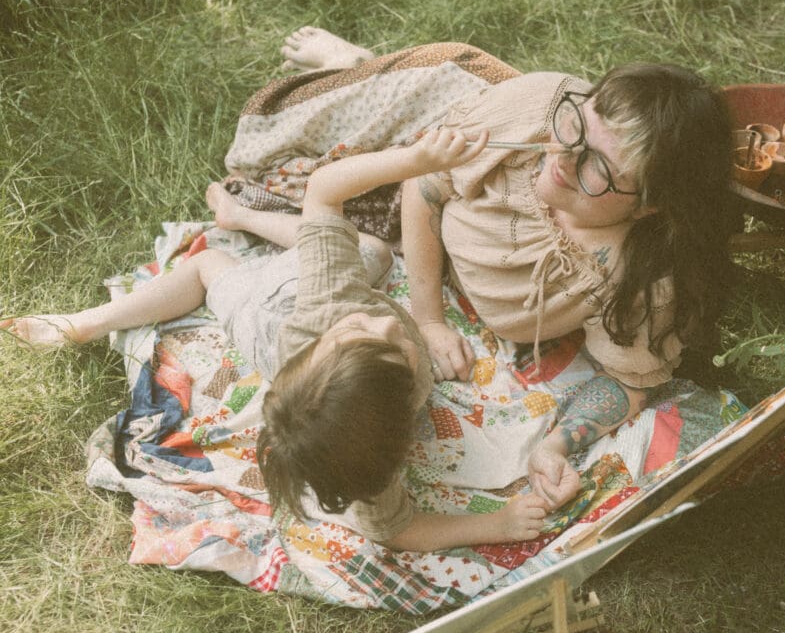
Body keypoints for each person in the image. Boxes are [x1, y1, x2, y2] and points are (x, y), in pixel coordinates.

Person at [1, 127, 549, 552]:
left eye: (370, 332)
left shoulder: (338, 336)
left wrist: (415, 164)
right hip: (272, 316)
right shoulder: (335, 336)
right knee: (209, 266)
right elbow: (396, 528)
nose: (388, 319)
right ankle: (88, 322)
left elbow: (324, 193)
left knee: (373, 255)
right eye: (389, 341)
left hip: (303, 299)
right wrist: (493, 524)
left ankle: (238, 214)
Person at [261, 28, 737, 512]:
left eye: (599, 165)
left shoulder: (640, 279)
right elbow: (424, 183)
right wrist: (429, 319)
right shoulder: (542, 115)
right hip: (445, 146)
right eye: (580, 124)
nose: (564, 158)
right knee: (346, 140)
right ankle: (355, 61)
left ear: (649, 207)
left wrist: (555, 446)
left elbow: (630, 379)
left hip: (454, 197)